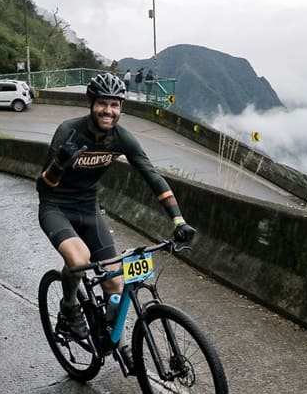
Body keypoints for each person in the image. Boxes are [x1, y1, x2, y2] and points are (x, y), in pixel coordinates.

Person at [36, 72, 196, 371]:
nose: (108, 111)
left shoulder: (121, 138)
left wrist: (178, 220)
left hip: (88, 208)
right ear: (91, 103)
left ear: (121, 107)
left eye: (114, 105)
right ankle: (69, 306)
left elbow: (152, 176)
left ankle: (117, 342)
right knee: (79, 259)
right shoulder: (69, 131)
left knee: (114, 281)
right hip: (56, 207)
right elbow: (43, 187)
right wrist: (59, 163)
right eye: (102, 104)